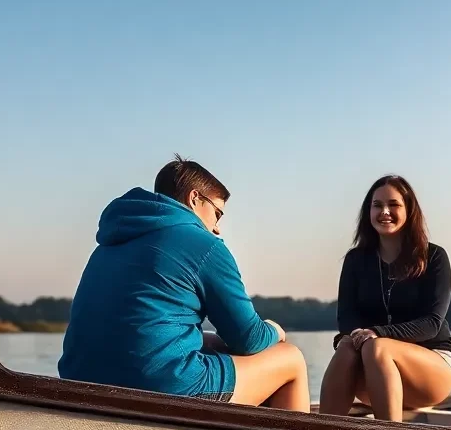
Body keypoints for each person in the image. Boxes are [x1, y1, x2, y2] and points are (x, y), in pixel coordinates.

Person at [59, 156, 310, 412]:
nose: (217, 228)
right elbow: (248, 338)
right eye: (217, 214)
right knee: (291, 358)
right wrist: (276, 330)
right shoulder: (205, 246)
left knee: (211, 342)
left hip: (80, 381)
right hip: (159, 385)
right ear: (194, 199)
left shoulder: (110, 242)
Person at [319, 175, 451, 421]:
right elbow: (347, 318)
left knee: (377, 345)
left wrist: (378, 333)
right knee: (347, 345)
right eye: (377, 205)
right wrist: (361, 337)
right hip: (373, 372)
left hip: (431, 368)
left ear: (409, 210)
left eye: (393, 205)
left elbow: (432, 323)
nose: (384, 212)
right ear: (367, 211)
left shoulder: (434, 256)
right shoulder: (356, 260)